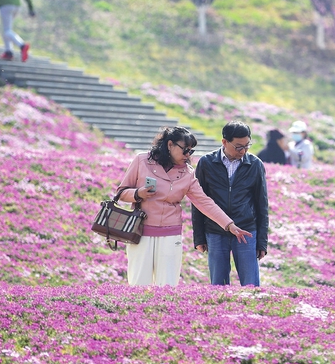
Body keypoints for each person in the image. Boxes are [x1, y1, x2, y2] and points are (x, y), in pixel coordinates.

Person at [115, 126, 251, 287]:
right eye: (185, 150)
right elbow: (121, 193)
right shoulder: (141, 160)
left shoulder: (187, 173)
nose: (188, 155)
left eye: (191, 151)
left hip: (170, 235)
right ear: (170, 145)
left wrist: (229, 225)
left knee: (168, 287)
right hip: (140, 232)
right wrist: (138, 194)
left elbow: (204, 202)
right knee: (138, 284)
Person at [192, 121, 270, 287]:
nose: (243, 151)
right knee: (218, 285)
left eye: (247, 146)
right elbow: (199, 202)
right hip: (214, 231)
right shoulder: (206, 163)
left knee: (251, 286)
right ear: (224, 142)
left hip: (246, 231)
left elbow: (261, 205)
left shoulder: (255, 164)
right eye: (238, 147)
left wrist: (262, 241)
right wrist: (199, 237)